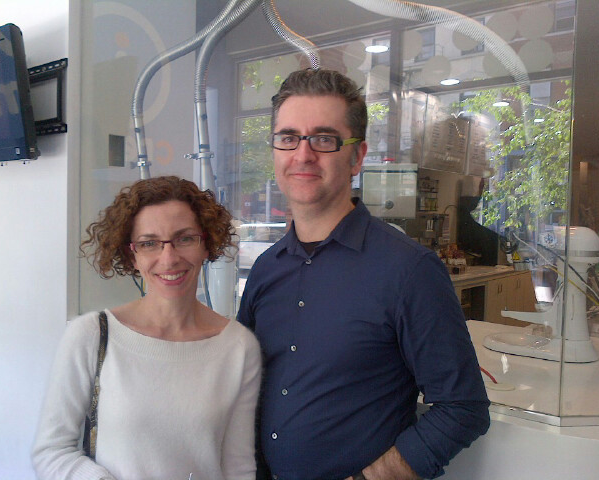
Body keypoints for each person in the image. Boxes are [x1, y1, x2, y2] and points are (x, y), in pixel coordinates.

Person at [238, 69, 490, 480]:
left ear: (356, 157)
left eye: (324, 139)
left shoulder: (409, 270)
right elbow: (249, 390)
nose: (303, 155)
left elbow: (463, 407)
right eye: (288, 138)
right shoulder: (266, 270)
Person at [33, 176, 262, 480]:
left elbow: (238, 467)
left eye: (185, 238)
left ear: (206, 245)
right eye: (149, 243)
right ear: (132, 255)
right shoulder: (91, 335)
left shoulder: (238, 346)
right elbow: (51, 451)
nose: (169, 258)